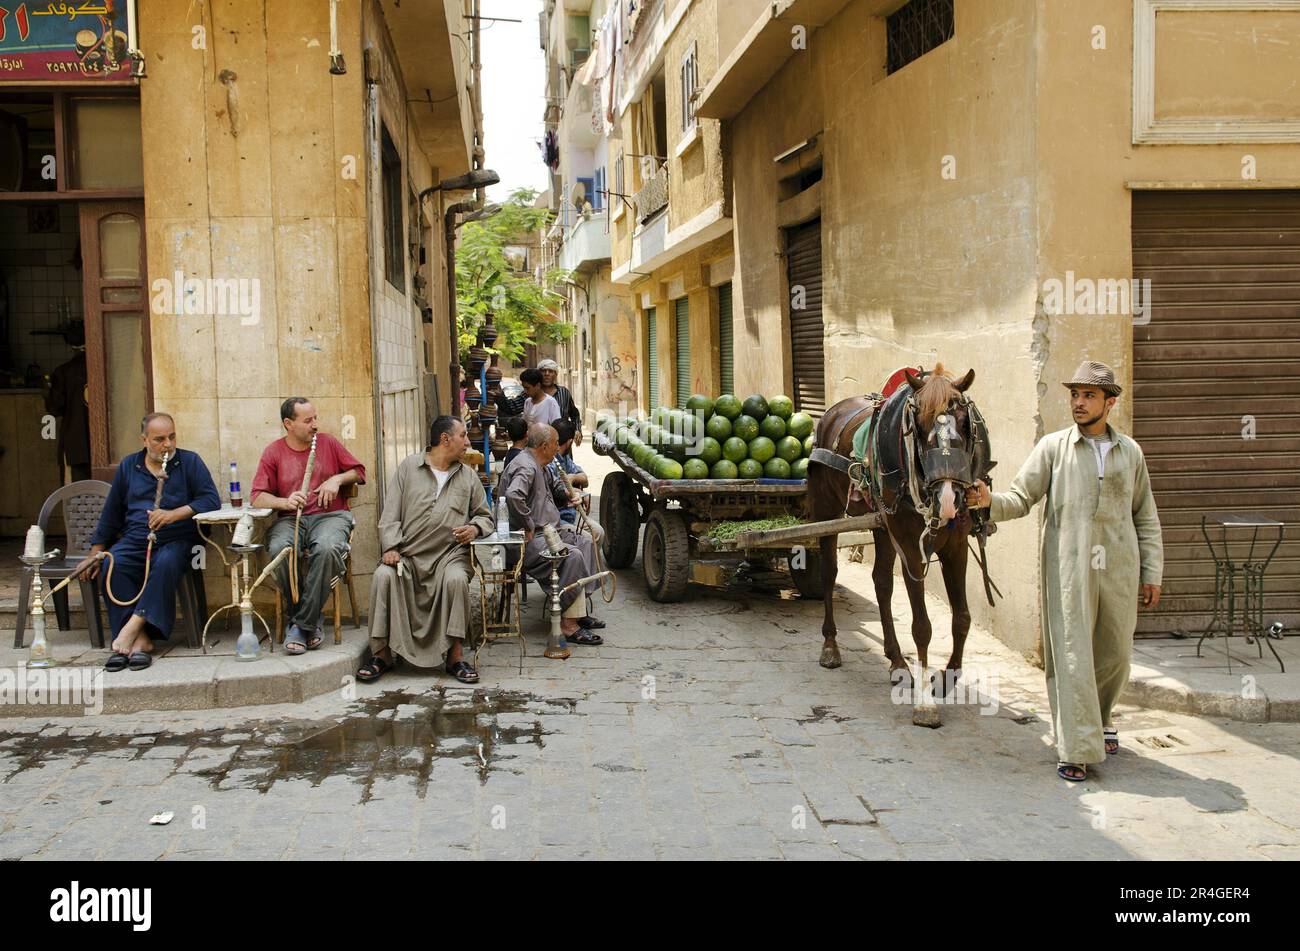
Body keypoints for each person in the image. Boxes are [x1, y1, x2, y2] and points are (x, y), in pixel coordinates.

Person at [967, 361, 1163, 783]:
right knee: (1073, 654)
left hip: (1119, 566)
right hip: (1069, 567)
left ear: (1109, 403)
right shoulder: (1053, 447)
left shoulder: (1130, 453)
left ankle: (1103, 717)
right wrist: (988, 501)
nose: (1078, 402)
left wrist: (1152, 571)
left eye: (1088, 395)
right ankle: (1075, 747)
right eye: (1074, 394)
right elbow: (1021, 497)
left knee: (1115, 654)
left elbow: (1145, 516)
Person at [359, 416, 495, 685]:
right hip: (408, 555)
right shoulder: (409, 468)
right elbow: (390, 515)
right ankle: (382, 655)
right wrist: (391, 547)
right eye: (463, 435)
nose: (468, 442)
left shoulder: (467, 476)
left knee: (456, 580)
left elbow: (486, 516)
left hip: (449, 556)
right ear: (445, 439)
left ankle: (455, 657)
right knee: (382, 577)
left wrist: (475, 530)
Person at [83, 413, 220, 672]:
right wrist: (97, 551)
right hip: (136, 538)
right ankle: (142, 641)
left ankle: (132, 627)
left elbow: (210, 500)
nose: (167, 444)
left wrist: (173, 514)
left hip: (180, 538)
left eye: (171, 437)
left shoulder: (189, 462)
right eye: (159, 439)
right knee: (115, 563)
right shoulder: (129, 466)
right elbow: (112, 513)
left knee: (166, 562)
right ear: (144, 440)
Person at [252, 398, 366, 655]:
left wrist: (336, 479)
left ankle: (300, 625)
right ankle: (309, 622)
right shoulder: (273, 452)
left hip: (331, 516)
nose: (315, 425)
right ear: (288, 424)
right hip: (291, 518)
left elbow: (359, 472)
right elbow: (257, 496)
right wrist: (285, 501)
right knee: (279, 549)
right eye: (307, 421)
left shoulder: (328, 442)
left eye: (315, 418)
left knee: (327, 549)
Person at [500, 424, 606, 647]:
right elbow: (513, 495)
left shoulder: (542, 464)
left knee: (586, 542)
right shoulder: (525, 467)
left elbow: (556, 488)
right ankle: (568, 625)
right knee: (573, 556)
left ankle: (576, 611)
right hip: (527, 539)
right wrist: (527, 524)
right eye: (556, 443)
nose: (559, 448)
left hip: (549, 531)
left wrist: (571, 493)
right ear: (544, 445)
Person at [45, 323, 91, 483]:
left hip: (75, 443)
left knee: (75, 494)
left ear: (69, 344)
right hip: (106, 445)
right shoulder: (103, 366)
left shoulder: (63, 372)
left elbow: (54, 408)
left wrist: (47, 390)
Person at [537, 358, 582, 448]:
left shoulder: (564, 393)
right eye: (543, 371)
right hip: (539, 444)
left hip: (562, 444)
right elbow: (512, 407)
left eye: (550, 371)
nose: (546, 374)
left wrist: (577, 430)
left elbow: (574, 414)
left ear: (556, 374)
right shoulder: (533, 393)